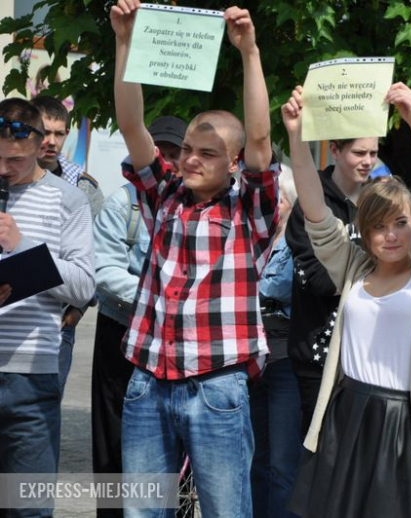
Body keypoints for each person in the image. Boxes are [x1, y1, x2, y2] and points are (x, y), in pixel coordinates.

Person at [110, 1, 279, 516]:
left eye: (206, 153)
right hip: (148, 379)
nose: (189, 159)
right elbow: (133, 126)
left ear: (231, 163)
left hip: (216, 385)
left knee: (227, 509)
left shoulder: (250, 206)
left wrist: (248, 51)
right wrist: (125, 42)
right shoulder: (163, 194)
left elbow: (259, 137)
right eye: (186, 148)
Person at [281, 81, 411, 518]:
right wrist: (298, 138)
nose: (391, 234)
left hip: (404, 421)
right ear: (366, 232)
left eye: (400, 223)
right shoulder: (354, 268)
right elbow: (316, 211)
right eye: (379, 226)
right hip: (345, 412)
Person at [0, 98, 94, 517]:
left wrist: (22, 250)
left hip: (30, 378)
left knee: (27, 507)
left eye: (15, 160)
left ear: (40, 147)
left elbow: (84, 285)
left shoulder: (67, 200)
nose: (4, 169)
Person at [90, 115, 186, 517]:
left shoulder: (193, 203)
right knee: (114, 440)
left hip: (177, 340)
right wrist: (157, 300)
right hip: (122, 332)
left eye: (173, 152)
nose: (165, 159)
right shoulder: (121, 202)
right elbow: (104, 269)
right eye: (158, 150)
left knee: (176, 440)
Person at [286, 130, 377, 435]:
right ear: (335, 150)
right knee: (318, 457)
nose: (367, 162)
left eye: (372, 154)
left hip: (365, 357)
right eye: (359, 153)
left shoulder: (376, 203)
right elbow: (319, 281)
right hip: (318, 358)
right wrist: (375, 276)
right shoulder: (312, 206)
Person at [30, 95, 104, 396]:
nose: (51, 141)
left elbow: (98, 254)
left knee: (41, 418)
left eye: (59, 133)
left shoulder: (83, 188)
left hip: (58, 320)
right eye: (45, 132)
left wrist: (78, 311)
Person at [249, 165, 302, 518]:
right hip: (253, 359)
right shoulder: (258, 241)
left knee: (284, 463)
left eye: (277, 198)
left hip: (284, 362)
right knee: (255, 458)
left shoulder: (297, 244)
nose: (270, 204)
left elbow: (273, 289)